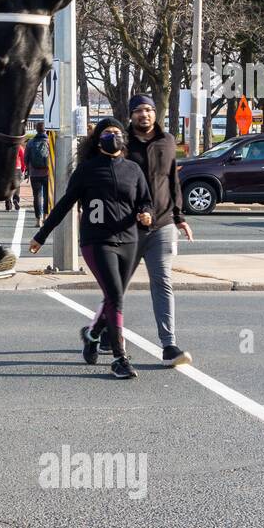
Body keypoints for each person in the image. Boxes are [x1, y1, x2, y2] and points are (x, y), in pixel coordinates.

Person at [29, 117, 152, 379]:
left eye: (117, 132)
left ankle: (92, 334)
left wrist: (146, 214)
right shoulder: (86, 170)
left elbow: (145, 201)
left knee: (113, 296)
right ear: (98, 140)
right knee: (115, 296)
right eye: (107, 133)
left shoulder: (133, 169)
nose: (113, 136)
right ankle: (119, 358)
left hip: (129, 240)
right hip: (97, 241)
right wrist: (41, 235)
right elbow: (64, 204)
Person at [88, 95, 194, 366]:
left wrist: (180, 217)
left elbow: (173, 180)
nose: (144, 115)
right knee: (117, 289)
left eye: (148, 110)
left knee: (163, 282)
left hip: (163, 224)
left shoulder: (167, 142)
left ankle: (169, 345)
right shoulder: (122, 143)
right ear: (131, 115)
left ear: (155, 113)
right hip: (127, 229)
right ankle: (97, 331)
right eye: (138, 111)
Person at [26, 121, 52, 225]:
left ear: (36, 129)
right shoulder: (50, 141)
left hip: (34, 173)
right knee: (47, 195)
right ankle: (46, 216)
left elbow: (26, 158)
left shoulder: (31, 142)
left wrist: (28, 169)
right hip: (47, 173)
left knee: (36, 196)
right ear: (45, 130)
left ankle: (38, 220)